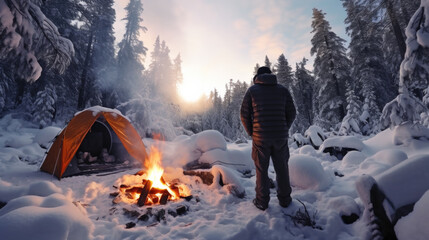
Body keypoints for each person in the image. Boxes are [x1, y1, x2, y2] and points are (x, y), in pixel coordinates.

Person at [240, 66, 296, 210]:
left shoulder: (252, 91)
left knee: (261, 170)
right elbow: (292, 112)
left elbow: (244, 114)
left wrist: (252, 132)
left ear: (257, 77)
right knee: (282, 168)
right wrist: (283, 128)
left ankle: (262, 201)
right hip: (280, 138)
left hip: (260, 138)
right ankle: (285, 200)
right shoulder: (282, 90)